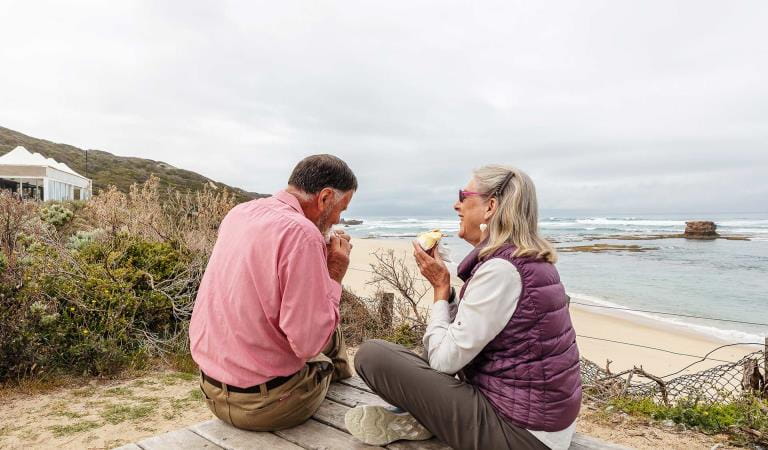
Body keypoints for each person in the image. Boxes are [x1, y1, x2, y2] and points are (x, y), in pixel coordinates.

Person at [346, 165, 582, 450]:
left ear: (490, 206)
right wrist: (448, 295)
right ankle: (424, 418)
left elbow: (445, 362)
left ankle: (424, 418)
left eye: (464, 195)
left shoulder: (502, 270)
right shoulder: (529, 261)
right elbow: (480, 331)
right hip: (544, 423)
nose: (456, 204)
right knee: (433, 340)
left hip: (522, 436)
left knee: (373, 355)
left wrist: (440, 290)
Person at [189, 154, 357, 431]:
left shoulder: (239, 213)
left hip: (212, 391)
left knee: (318, 311)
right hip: (268, 406)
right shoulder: (303, 233)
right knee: (328, 320)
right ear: (325, 197)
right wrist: (333, 273)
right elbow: (308, 343)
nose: (339, 219)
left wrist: (316, 263)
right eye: (342, 208)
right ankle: (342, 385)